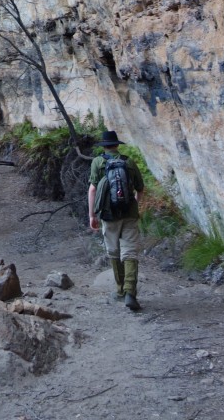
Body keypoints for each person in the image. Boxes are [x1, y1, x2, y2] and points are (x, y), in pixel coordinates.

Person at [88, 129, 145, 311]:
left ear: (104, 147)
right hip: (129, 213)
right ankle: (131, 293)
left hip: (108, 214)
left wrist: (92, 215)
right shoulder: (128, 162)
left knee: (114, 251)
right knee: (130, 253)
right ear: (117, 145)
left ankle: (120, 291)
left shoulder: (98, 162)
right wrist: (134, 205)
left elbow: (92, 190)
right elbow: (140, 188)